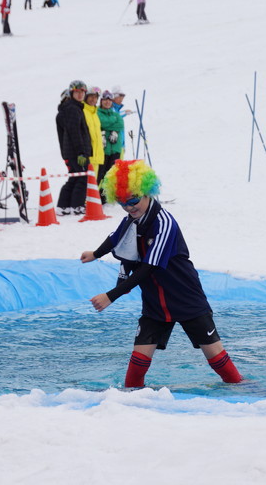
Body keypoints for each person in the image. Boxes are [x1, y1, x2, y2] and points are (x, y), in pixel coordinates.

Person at [80, 159, 242, 388]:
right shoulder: (132, 220)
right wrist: (96, 253)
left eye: (134, 200)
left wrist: (111, 295)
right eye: (122, 202)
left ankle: (244, 389)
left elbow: (149, 267)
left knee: (215, 356)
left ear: (148, 192)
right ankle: (130, 400)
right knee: (136, 368)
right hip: (155, 301)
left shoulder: (164, 222)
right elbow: (116, 237)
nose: (129, 207)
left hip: (185, 297)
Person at [56, 80, 92, 216]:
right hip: (76, 152)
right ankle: (76, 205)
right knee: (82, 178)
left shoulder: (76, 107)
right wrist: (81, 151)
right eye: (77, 92)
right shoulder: (72, 109)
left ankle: (64, 206)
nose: (80, 95)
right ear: (72, 93)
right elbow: (74, 132)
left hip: (74, 151)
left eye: (82, 92)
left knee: (75, 178)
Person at [97, 91, 124, 201]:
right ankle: (96, 196)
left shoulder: (116, 114)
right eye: (105, 100)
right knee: (100, 173)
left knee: (111, 174)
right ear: (101, 101)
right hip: (103, 149)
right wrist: (111, 125)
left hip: (115, 149)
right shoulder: (97, 113)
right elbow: (101, 123)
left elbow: (120, 124)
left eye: (109, 100)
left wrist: (109, 127)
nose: (107, 102)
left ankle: (106, 196)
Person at [82, 86, 106, 184]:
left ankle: (90, 200)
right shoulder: (83, 111)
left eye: (95, 97)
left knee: (93, 184)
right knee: (85, 184)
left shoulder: (94, 114)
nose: (93, 99)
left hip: (97, 156)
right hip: (87, 156)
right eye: (91, 96)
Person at [111, 85, 133, 159]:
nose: (122, 99)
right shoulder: (110, 108)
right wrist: (125, 113)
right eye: (120, 96)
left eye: (123, 96)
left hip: (120, 145)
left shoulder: (117, 110)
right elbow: (113, 117)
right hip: (114, 146)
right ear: (114, 96)